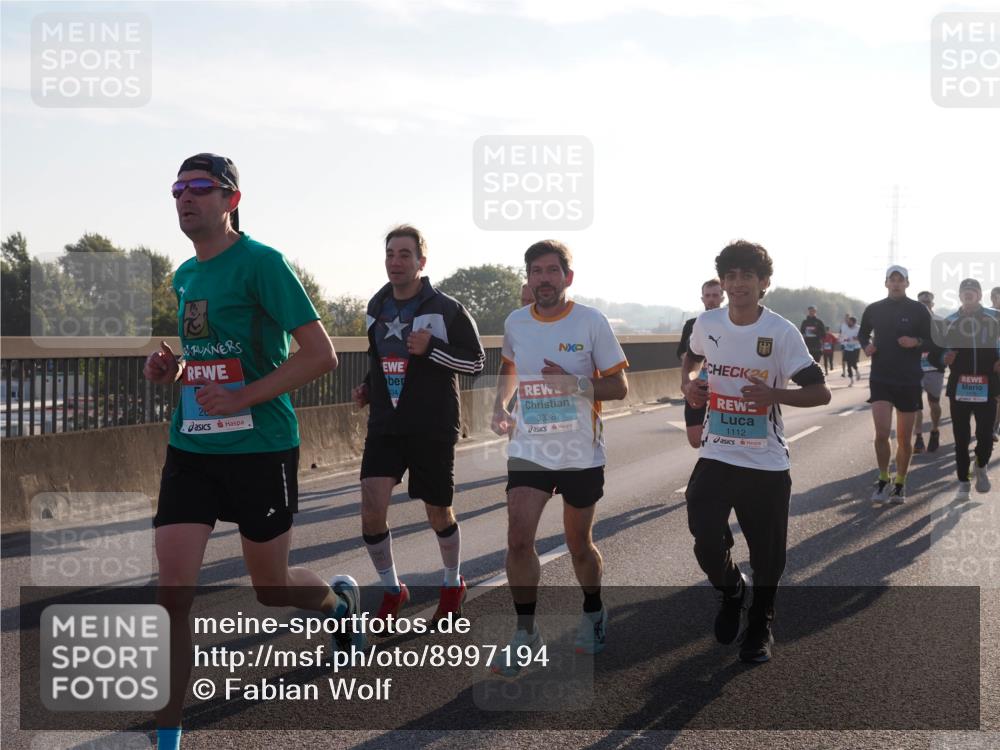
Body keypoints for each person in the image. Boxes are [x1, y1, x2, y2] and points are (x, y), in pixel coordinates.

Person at [146, 154, 362, 750]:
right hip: (192, 447)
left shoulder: (263, 263)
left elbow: (320, 355)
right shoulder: (185, 275)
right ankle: (168, 738)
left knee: (271, 588)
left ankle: (338, 606)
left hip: (260, 449)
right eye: (178, 189)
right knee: (172, 594)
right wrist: (173, 370)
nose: (186, 197)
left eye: (200, 187)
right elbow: (208, 357)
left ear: (231, 200)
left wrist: (243, 395)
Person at [681, 240, 830, 664]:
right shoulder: (707, 322)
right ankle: (732, 589)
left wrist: (773, 395)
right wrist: (688, 384)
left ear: (764, 282)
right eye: (730, 276)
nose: (738, 283)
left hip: (765, 461)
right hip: (716, 453)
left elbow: (820, 392)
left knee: (768, 557)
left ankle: (760, 624)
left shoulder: (781, 332)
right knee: (705, 538)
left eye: (747, 275)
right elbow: (691, 358)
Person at [489, 239, 628, 675]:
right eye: (536, 271)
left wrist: (575, 384)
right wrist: (501, 405)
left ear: (568, 277)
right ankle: (525, 632)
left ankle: (593, 611)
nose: (544, 279)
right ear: (528, 278)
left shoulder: (591, 321)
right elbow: (509, 366)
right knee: (518, 539)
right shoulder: (516, 321)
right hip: (530, 448)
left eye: (552, 271)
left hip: (579, 452)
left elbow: (619, 387)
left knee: (578, 544)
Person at [353, 225, 485, 627]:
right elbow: (380, 356)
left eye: (405, 254)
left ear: (421, 262)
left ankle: (452, 583)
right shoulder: (377, 305)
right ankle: (393, 589)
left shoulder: (446, 308)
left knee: (438, 512)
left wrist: (433, 349)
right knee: (371, 508)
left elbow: (476, 362)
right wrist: (368, 388)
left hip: (432, 424)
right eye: (390, 254)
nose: (395, 262)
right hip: (386, 424)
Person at [859, 265, 933, 504]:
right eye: (893, 280)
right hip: (881, 378)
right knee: (882, 433)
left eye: (901, 280)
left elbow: (933, 340)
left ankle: (900, 482)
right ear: (886, 283)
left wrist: (916, 341)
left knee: (903, 438)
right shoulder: (874, 309)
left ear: (907, 284)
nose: (896, 284)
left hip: (908, 380)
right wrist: (866, 346)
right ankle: (883, 479)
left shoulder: (918, 309)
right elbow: (862, 333)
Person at [939, 279, 1000, 499]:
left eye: (972, 291)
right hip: (960, 385)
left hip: (987, 383)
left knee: (985, 435)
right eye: (964, 291)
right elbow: (937, 352)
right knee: (961, 438)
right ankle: (963, 482)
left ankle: (981, 465)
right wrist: (943, 357)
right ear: (959, 296)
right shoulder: (949, 321)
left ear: (980, 295)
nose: (968, 294)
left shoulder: (995, 317)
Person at [676, 279, 725, 448]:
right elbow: (682, 353)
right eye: (707, 295)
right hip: (699, 385)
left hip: (723, 387)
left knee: (723, 437)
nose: (711, 299)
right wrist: (691, 365)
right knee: (695, 440)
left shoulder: (731, 324)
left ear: (722, 297)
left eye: (715, 295)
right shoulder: (692, 324)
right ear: (702, 298)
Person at [913, 291, 946, 454]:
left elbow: (946, 344)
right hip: (915, 368)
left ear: (932, 304)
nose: (924, 305)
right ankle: (918, 437)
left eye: (927, 302)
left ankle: (934, 430)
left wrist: (943, 360)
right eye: (921, 303)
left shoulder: (940, 321)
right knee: (916, 405)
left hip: (934, 368)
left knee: (934, 403)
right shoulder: (911, 322)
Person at [841, 316, 861, 385]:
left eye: (850, 321)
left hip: (856, 347)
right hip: (848, 347)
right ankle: (851, 380)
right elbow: (843, 337)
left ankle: (857, 371)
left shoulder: (858, 328)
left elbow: (862, 336)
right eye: (848, 321)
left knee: (853, 362)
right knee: (848, 364)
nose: (848, 323)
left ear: (854, 322)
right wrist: (845, 340)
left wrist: (857, 338)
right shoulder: (846, 328)